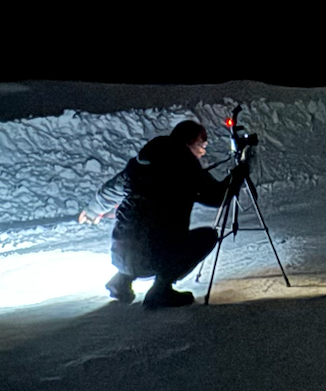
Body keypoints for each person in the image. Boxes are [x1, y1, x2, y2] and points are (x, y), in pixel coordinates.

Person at [79, 119, 239, 308]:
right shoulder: (185, 167)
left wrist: (92, 211)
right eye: (201, 145)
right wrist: (239, 174)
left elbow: (111, 189)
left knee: (143, 233)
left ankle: (121, 281)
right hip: (154, 258)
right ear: (190, 142)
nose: (203, 152)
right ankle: (161, 290)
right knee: (207, 236)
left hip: (121, 254)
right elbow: (217, 198)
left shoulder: (141, 163)